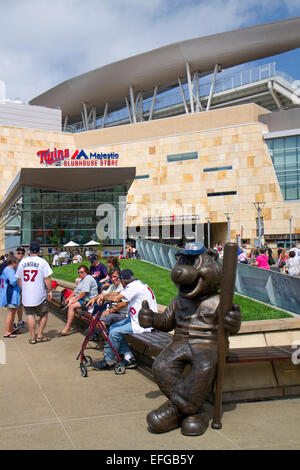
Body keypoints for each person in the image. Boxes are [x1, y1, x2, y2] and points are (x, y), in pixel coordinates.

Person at [92, 269, 157, 371]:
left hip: (142, 323)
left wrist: (103, 298)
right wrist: (103, 296)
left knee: (114, 331)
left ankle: (109, 362)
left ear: (123, 280)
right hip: (140, 320)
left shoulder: (133, 287)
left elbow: (116, 298)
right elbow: (118, 293)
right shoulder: (137, 284)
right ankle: (129, 358)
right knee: (114, 327)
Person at [15, 241, 53, 344]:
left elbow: (18, 279)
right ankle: (40, 335)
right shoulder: (42, 262)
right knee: (44, 314)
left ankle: (32, 338)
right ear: (39, 250)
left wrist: (24, 289)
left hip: (27, 295)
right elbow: (47, 278)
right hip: (39, 294)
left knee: (30, 315)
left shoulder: (22, 262)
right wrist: (50, 291)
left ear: (29, 250)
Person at [60, 264, 98, 335]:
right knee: (70, 302)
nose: (80, 274)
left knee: (71, 306)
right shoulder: (82, 280)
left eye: (81, 272)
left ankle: (67, 327)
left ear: (86, 272)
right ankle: (67, 309)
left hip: (88, 300)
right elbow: (76, 290)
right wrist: (69, 297)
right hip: (83, 299)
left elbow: (84, 292)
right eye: (79, 272)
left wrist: (75, 299)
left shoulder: (88, 278)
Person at [0, 257, 21, 338]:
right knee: (11, 313)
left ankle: (11, 329)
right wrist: (20, 278)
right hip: (10, 295)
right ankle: (7, 331)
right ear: (13, 262)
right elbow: (13, 281)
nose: (17, 264)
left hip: (11, 295)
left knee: (12, 312)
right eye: (17, 262)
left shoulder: (7, 270)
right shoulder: (9, 270)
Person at [14, 246, 27, 329]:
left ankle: (20, 321)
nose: (20, 255)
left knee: (20, 304)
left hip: (22, 286)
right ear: (16, 253)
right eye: (19, 253)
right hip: (14, 286)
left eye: (22, 253)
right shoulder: (14, 262)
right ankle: (12, 322)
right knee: (14, 304)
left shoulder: (25, 262)